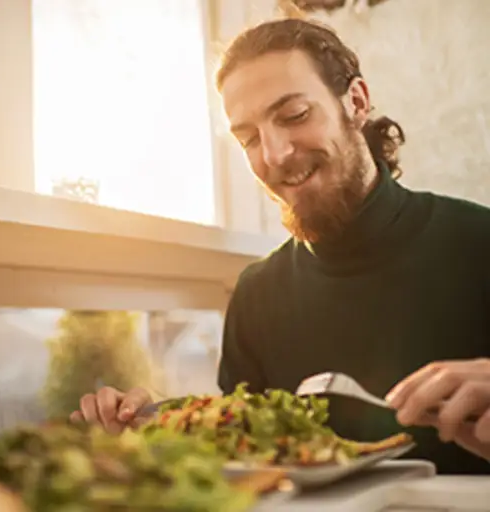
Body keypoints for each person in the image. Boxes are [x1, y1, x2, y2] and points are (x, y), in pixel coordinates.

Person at [71, 13, 490, 474]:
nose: (273, 154)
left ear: (356, 101)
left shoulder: (478, 244)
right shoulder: (257, 293)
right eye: (248, 138)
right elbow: (247, 457)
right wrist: (164, 425)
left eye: (294, 115)